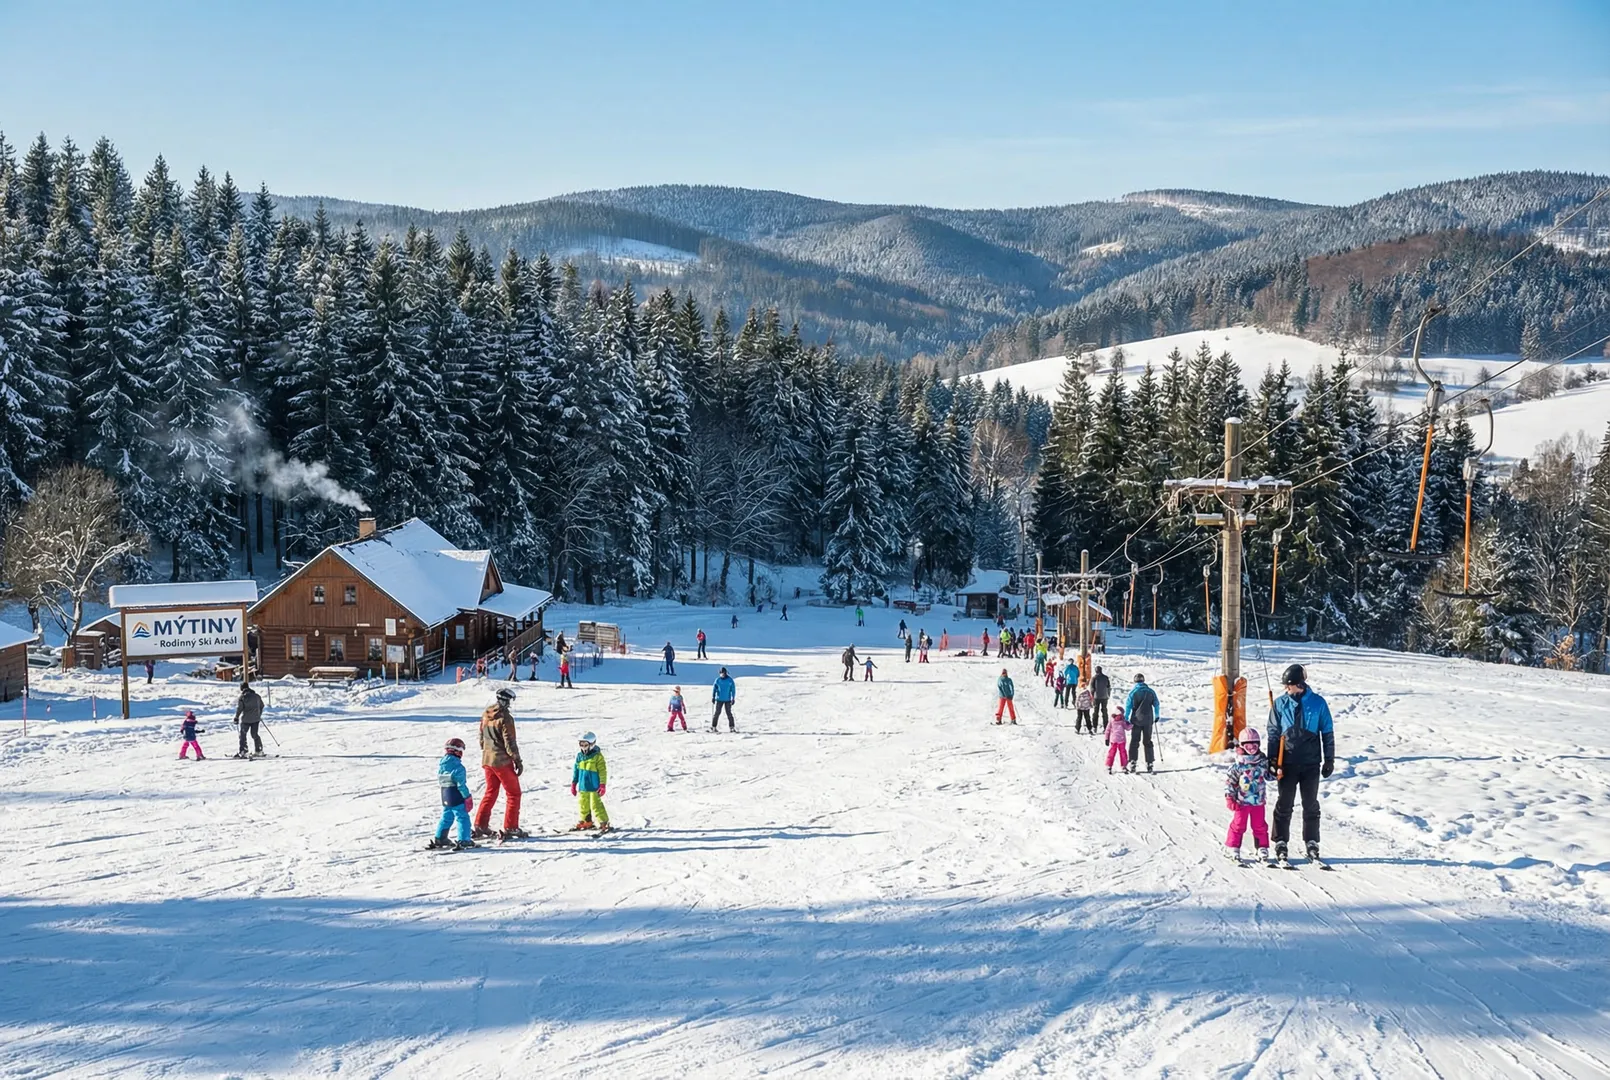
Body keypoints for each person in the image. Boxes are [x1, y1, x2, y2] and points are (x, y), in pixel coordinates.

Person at [1265, 663, 1336, 864]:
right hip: (1286, 762)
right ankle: (1280, 841)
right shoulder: (1280, 704)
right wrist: (1272, 759)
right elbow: (1273, 732)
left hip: (1311, 762)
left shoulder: (1318, 703)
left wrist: (1329, 758)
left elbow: (1328, 732)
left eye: (1290, 686)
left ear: (1300, 684)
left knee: (1310, 804)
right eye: (1286, 686)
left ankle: (1312, 841)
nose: (1287, 689)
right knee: (1284, 803)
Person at [472, 687, 527, 841]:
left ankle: (480, 824)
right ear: (506, 701)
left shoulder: (486, 714)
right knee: (514, 794)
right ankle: (511, 826)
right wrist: (517, 760)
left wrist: (486, 750)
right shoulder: (506, 718)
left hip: (487, 760)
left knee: (491, 791)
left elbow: (481, 737)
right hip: (501, 761)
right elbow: (510, 742)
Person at [1225, 725, 1270, 863]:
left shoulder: (1263, 763)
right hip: (1241, 802)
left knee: (1260, 825)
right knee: (1239, 825)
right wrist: (1229, 797)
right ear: (1242, 746)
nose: (1251, 749)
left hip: (1258, 802)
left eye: (1254, 746)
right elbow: (1230, 782)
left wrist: (1277, 771)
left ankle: (1261, 847)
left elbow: (1269, 776)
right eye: (1248, 746)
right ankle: (1233, 847)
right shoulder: (1238, 765)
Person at [426, 737, 478, 850]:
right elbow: (461, 785)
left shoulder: (442, 765)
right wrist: (467, 797)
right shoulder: (458, 767)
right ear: (457, 752)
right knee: (462, 816)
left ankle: (440, 837)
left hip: (445, 794)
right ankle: (464, 840)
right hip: (456, 795)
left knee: (447, 816)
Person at [570, 732, 612, 833]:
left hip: (594, 786)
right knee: (583, 804)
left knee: (595, 804)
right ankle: (586, 821)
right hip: (583, 786)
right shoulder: (579, 756)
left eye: (586, 745)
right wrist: (574, 783)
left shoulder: (597, 757)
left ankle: (603, 822)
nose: (583, 747)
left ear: (592, 744)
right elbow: (576, 770)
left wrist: (602, 784)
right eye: (581, 745)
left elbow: (602, 771)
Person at [1125, 673, 1160, 773]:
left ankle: (1133, 761)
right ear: (1143, 681)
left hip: (1136, 720)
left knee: (1135, 740)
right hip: (1148, 720)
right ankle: (1149, 763)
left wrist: (1126, 718)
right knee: (1147, 741)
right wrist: (1157, 715)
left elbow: (1128, 706)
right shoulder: (1150, 691)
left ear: (1135, 681)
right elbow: (1156, 704)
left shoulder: (1133, 692)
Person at [232, 683, 265, 758]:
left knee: (243, 735)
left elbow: (240, 708)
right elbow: (262, 705)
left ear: (242, 689)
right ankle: (259, 750)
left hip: (246, 720)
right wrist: (259, 714)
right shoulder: (257, 696)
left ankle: (243, 751)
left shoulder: (243, 697)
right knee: (254, 734)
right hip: (256, 719)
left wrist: (236, 717)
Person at [1104, 706, 1131, 774]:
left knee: (1117, 753)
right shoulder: (1117, 720)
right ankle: (1110, 766)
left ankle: (1121, 766)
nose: (1121, 716)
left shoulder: (1121, 720)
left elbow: (1107, 729)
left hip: (1118, 740)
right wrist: (1106, 738)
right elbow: (1108, 729)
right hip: (1118, 740)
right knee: (1119, 753)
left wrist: (1107, 738)